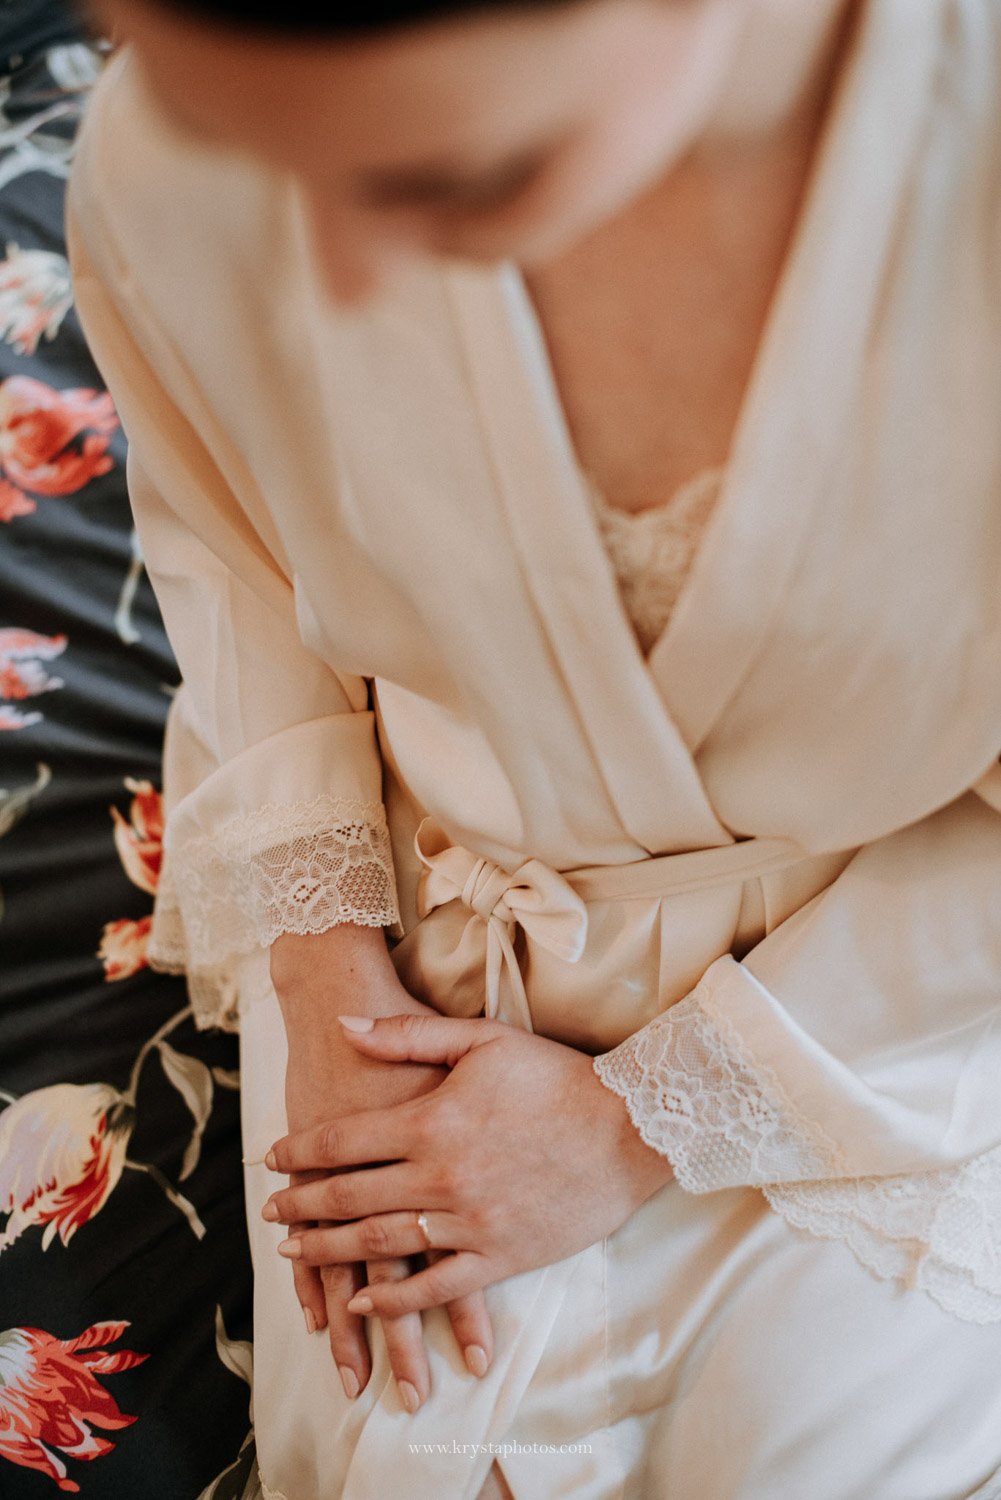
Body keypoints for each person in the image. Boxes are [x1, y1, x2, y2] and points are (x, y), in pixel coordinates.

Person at [66, 0, 1001, 1495]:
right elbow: (232, 561)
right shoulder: (162, 148)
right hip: (409, 931)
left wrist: (651, 1115)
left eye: (458, 173)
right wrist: (329, 980)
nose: (348, 282)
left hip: (881, 1007)